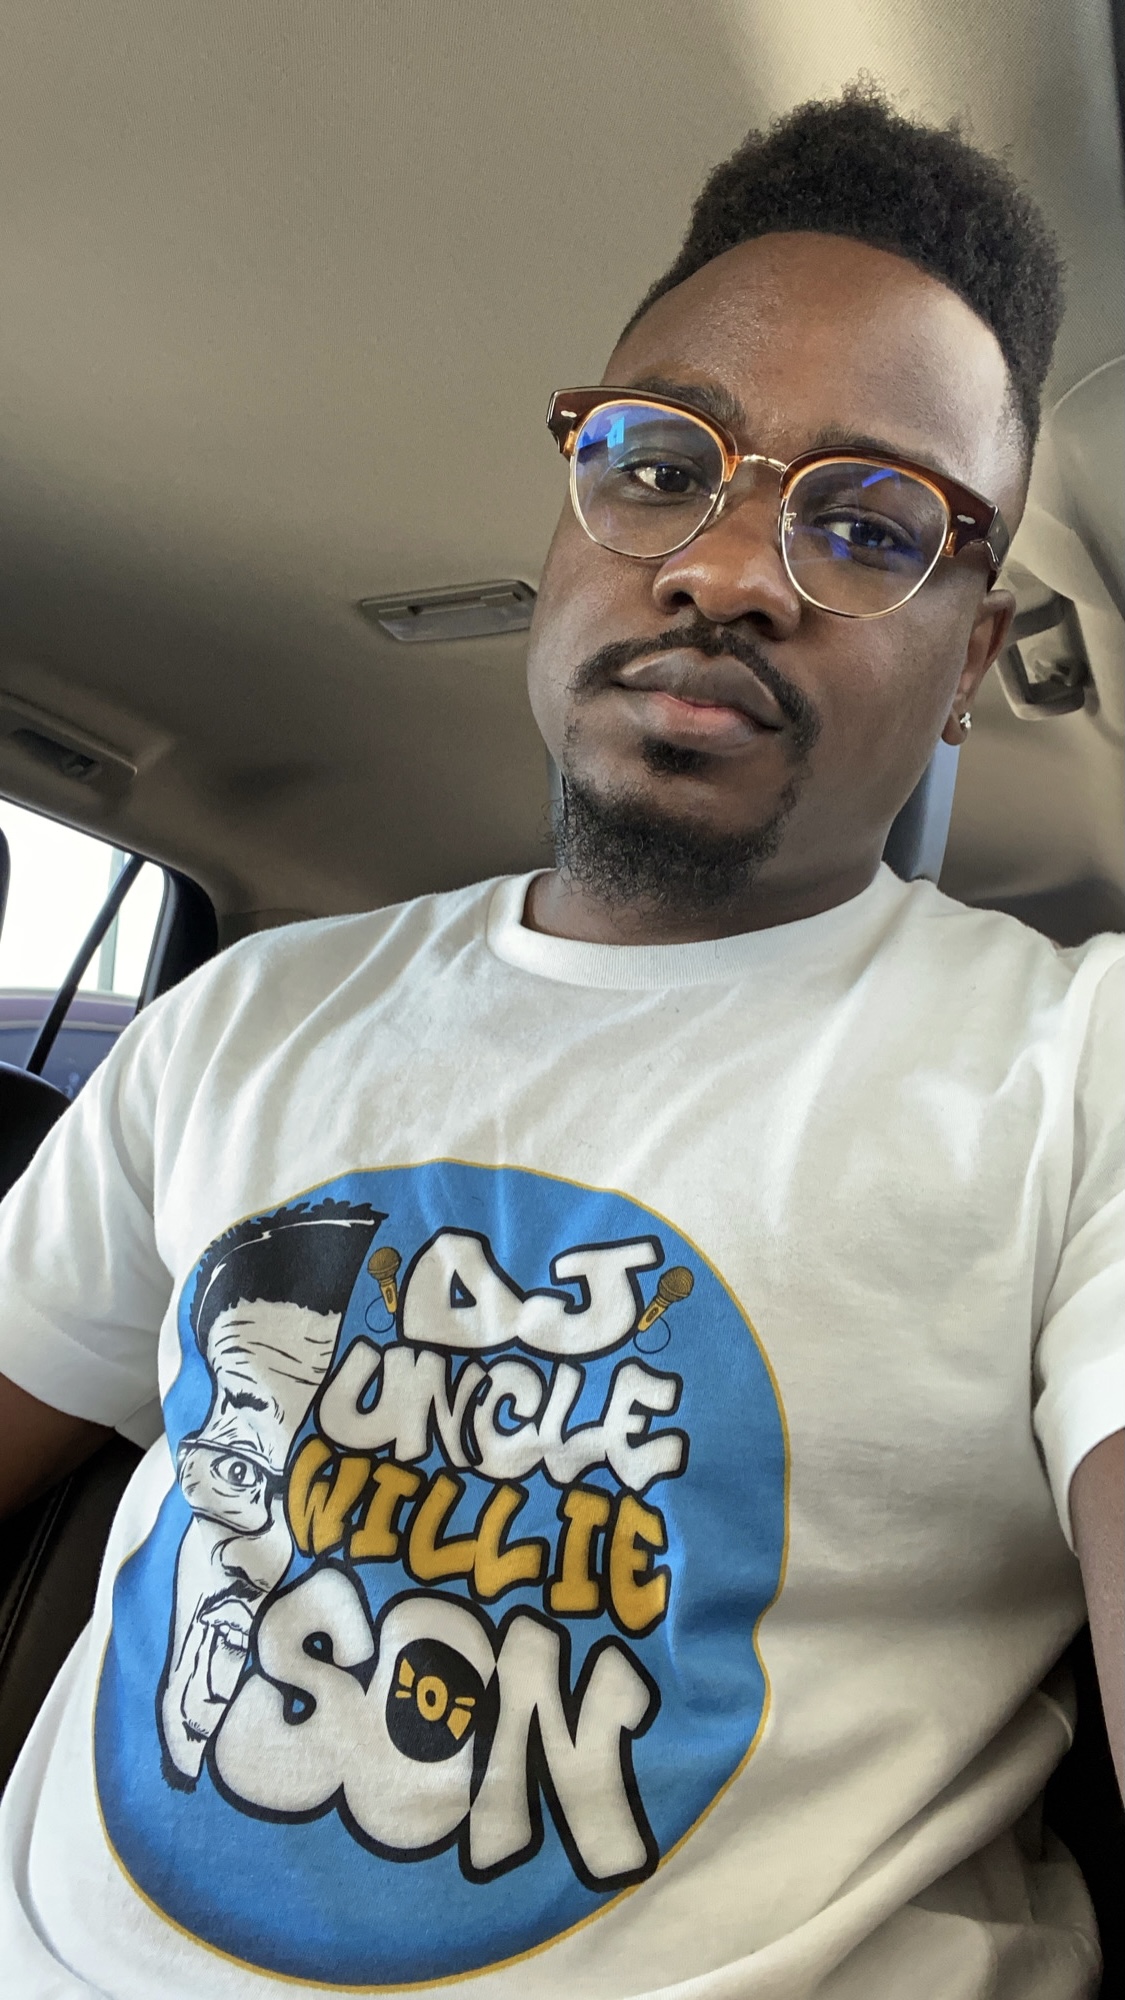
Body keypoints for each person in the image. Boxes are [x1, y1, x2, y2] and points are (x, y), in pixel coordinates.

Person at [0, 84, 1120, 2000]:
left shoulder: (1076, 1067)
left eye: (866, 524)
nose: (727, 569)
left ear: (964, 662)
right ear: (569, 515)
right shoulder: (241, 1018)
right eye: (662, 464)